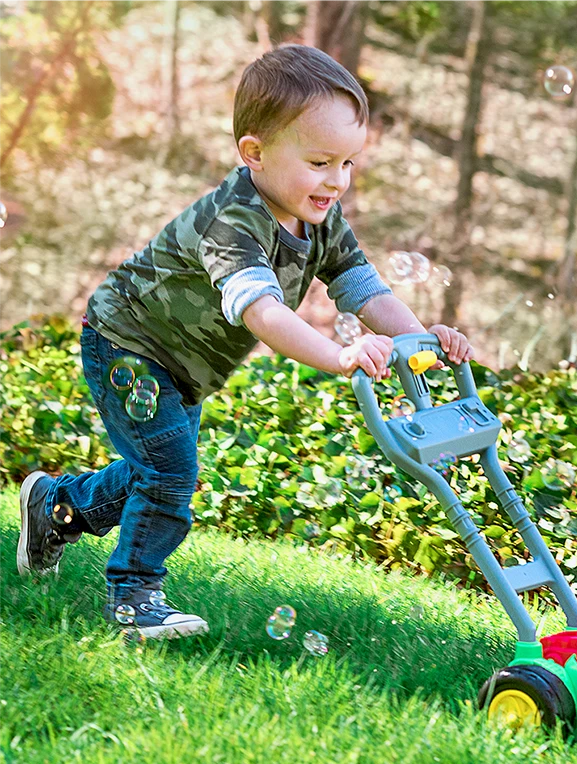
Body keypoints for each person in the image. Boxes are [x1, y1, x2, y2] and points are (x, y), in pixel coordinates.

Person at [16, 44, 473, 640]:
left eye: (347, 164)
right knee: (170, 472)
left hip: (183, 364)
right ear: (254, 153)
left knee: (155, 467)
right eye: (319, 162)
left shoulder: (320, 218)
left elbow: (362, 287)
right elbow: (260, 312)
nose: (336, 181)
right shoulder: (232, 221)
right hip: (128, 343)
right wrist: (339, 355)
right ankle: (134, 598)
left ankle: (56, 507)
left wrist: (420, 336)